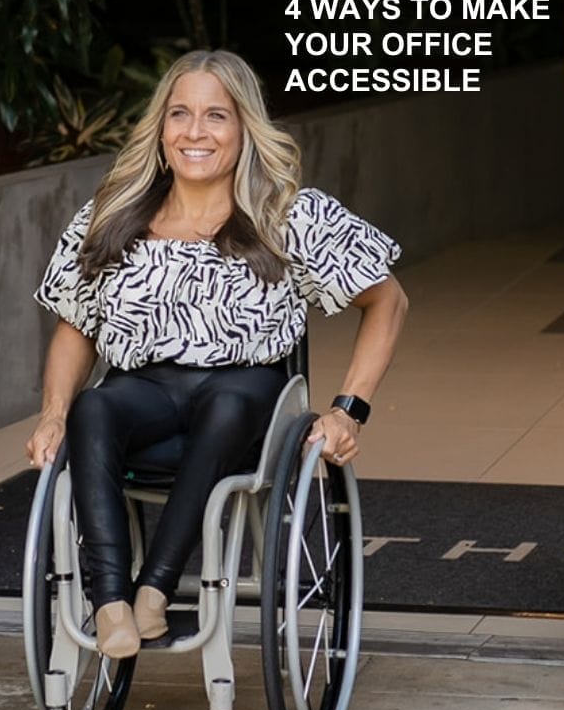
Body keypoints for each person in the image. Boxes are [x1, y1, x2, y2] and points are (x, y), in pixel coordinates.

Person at [26, 49, 407, 658]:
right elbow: (76, 325)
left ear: (244, 127)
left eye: (215, 116)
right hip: (145, 395)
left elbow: (388, 302)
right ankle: (111, 603)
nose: (195, 132)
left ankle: (154, 592)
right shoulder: (112, 215)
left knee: (228, 403)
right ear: (161, 127)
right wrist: (52, 412)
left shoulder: (290, 214)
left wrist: (346, 410)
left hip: (248, 400)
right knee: (91, 410)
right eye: (180, 114)